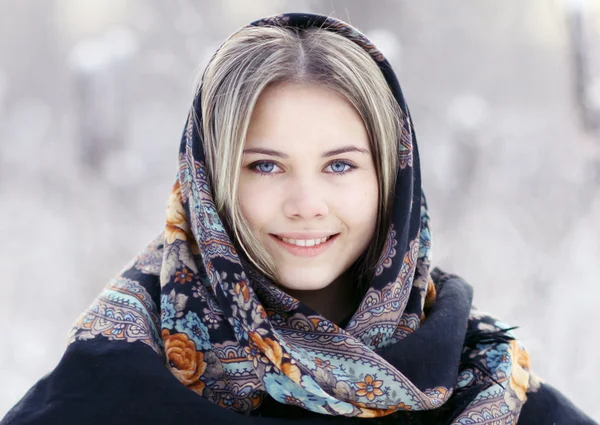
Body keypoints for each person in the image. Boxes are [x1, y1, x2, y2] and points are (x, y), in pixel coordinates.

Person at [1, 12, 596, 425]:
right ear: (208, 185)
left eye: (339, 166)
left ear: (394, 179)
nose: (306, 202)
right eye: (264, 166)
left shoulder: (491, 393)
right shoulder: (103, 390)